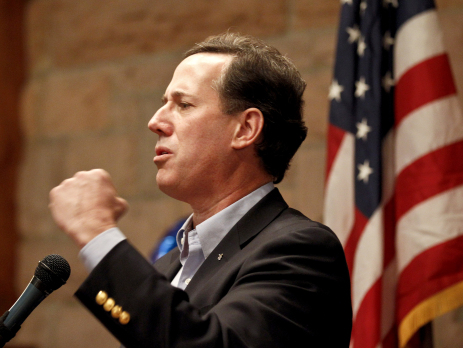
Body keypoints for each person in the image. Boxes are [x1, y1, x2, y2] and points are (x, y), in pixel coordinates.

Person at [49, 33, 352, 348]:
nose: (155, 121)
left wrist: (98, 232)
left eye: (183, 105)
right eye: (163, 103)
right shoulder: (167, 266)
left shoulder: (300, 249)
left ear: (246, 129)